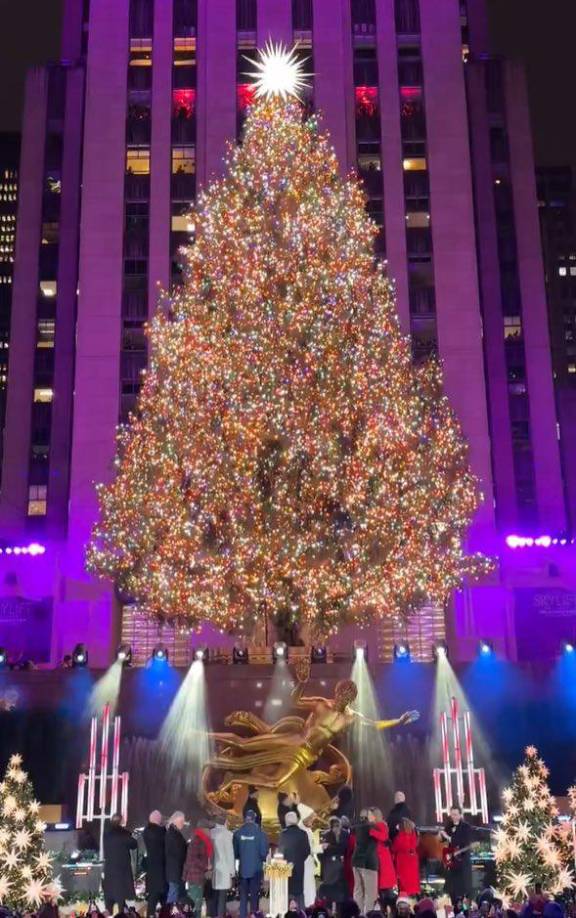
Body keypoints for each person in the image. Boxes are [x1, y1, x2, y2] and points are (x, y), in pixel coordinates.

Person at [233, 809, 269, 918]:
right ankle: (254, 915)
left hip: (243, 870)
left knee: (243, 898)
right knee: (254, 897)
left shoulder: (238, 833)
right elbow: (264, 853)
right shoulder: (261, 834)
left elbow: (235, 853)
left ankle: (243, 916)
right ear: (255, 819)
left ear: (245, 819)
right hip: (256, 871)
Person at [102, 813, 137, 914]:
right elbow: (133, 844)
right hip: (121, 871)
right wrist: (132, 835)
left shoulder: (106, 833)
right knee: (120, 899)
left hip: (109, 870)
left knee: (109, 902)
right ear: (121, 821)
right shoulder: (123, 833)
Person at [278, 810, 312, 908]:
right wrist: (299, 860)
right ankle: (301, 913)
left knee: (286, 893)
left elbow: (280, 853)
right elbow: (307, 851)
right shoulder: (303, 833)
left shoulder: (283, 834)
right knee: (299, 893)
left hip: (286, 867)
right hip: (299, 867)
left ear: (286, 821)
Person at [441, 806, 473, 905]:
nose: (453, 816)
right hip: (452, 863)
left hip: (463, 864)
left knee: (464, 891)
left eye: (455, 814)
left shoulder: (466, 827)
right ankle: (455, 909)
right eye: (452, 814)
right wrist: (441, 836)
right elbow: (443, 840)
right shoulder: (448, 826)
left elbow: (463, 842)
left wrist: (449, 838)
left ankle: (465, 911)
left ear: (460, 815)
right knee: (453, 891)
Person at [319, 816, 350, 912]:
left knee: (339, 892)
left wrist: (329, 847)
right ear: (331, 826)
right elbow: (321, 852)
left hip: (340, 866)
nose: (336, 828)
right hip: (330, 867)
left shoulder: (344, 834)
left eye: (337, 826)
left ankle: (339, 911)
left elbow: (344, 848)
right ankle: (329, 910)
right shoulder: (326, 835)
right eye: (334, 826)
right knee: (330, 892)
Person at [183, 819, 214, 916]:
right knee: (195, 906)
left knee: (197, 904)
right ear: (203, 829)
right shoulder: (198, 840)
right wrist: (206, 865)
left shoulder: (201, 839)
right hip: (195, 877)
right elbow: (194, 859)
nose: (210, 831)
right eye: (208, 829)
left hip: (197, 876)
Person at [351, 809, 379, 915]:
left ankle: (358, 914)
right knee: (370, 893)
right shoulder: (372, 827)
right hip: (368, 863)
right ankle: (369, 914)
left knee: (358, 890)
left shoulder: (356, 828)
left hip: (356, 861)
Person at [368, 807, 397, 908]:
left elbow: (384, 837)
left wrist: (372, 832)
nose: (368, 817)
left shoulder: (380, 825)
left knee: (386, 890)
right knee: (383, 890)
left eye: (370, 815)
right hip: (380, 860)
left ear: (375, 816)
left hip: (382, 860)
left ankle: (390, 909)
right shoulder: (376, 826)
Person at [142, 810, 167, 917]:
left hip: (152, 872)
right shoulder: (158, 831)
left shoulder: (147, 830)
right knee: (162, 900)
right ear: (158, 819)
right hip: (160, 871)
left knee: (153, 900)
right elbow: (163, 839)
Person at [210, 816, 235, 918]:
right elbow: (230, 854)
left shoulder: (211, 833)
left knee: (213, 895)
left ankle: (212, 914)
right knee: (222, 896)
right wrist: (232, 871)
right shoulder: (227, 834)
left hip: (213, 869)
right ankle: (220, 915)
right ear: (225, 822)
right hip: (224, 869)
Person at [391, 818, 420, 897]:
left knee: (404, 882)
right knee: (412, 881)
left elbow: (394, 848)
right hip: (413, 860)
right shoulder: (414, 836)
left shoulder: (399, 838)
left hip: (403, 861)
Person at [165, 811, 188, 905]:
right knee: (173, 894)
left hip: (175, 869)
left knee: (175, 893)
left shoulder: (174, 832)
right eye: (181, 821)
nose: (183, 824)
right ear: (175, 821)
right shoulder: (172, 834)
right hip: (175, 869)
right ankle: (169, 913)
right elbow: (178, 851)